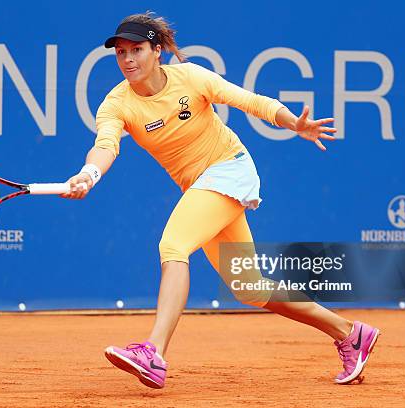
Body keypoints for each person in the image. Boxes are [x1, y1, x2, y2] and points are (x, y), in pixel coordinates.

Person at [61, 12, 380, 389]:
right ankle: (350, 333)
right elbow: (105, 145)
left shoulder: (191, 77)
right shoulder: (116, 104)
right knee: (250, 287)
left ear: (157, 51)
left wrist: (295, 123)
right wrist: (89, 175)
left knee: (173, 245)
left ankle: (154, 353)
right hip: (200, 186)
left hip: (230, 169)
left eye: (137, 50)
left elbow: (250, 101)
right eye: (122, 53)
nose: (128, 60)